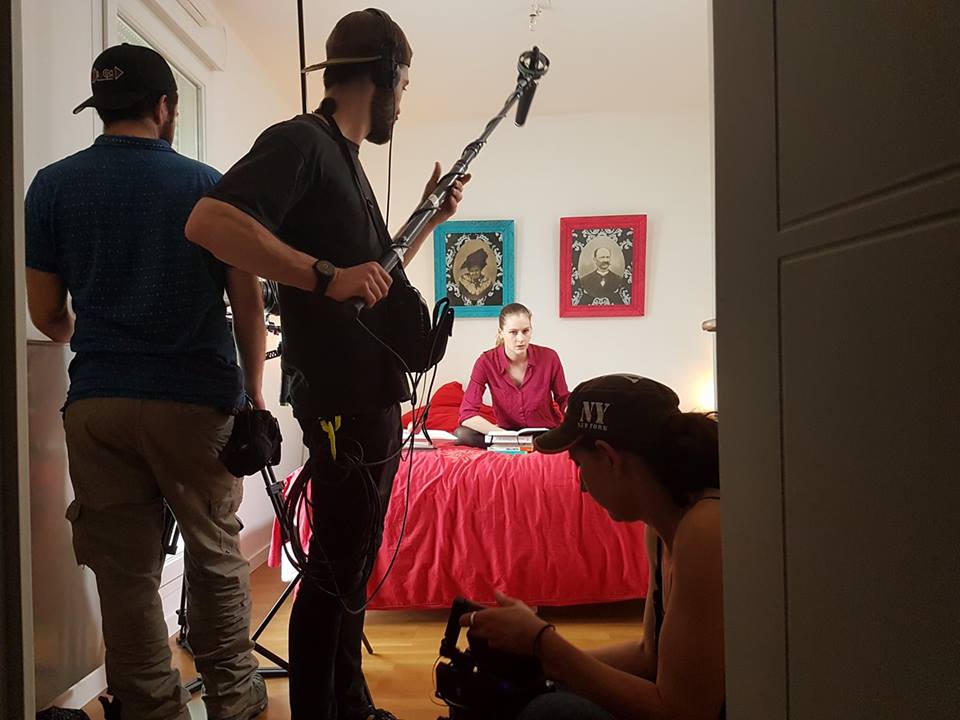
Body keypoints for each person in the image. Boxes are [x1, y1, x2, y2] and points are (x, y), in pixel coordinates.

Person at [184, 9, 468, 720]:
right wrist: (323, 275)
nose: (403, 100)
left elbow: (371, 279)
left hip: (370, 397)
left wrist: (429, 218)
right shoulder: (302, 142)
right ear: (385, 74)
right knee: (335, 570)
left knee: (353, 566)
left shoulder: (346, 161)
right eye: (404, 84)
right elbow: (210, 222)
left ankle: (352, 702)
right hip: (340, 399)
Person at [25, 44, 267, 720]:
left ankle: (151, 708)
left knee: (124, 575)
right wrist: (254, 395)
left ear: (101, 109)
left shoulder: (52, 187)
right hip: (194, 402)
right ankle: (234, 700)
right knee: (215, 556)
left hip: (98, 404)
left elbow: (47, 315)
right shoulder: (209, 187)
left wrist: (98, 328)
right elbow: (248, 303)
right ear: (165, 107)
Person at [461, 375, 724, 720]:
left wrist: (544, 644)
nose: (582, 485)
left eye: (579, 465)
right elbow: (649, 656)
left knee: (552, 712)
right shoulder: (660, 526)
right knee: (524, 693)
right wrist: (537, 663)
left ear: (609, 458)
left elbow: (682, 712)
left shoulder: (705, 529)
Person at [455, 303, 569, 447]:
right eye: (513, 332)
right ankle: (522, 445)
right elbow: (467, 414)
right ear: (501, 332)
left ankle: (525, 445)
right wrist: (503, 434)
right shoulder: (485, 362)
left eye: (525, 331)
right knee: (462, 434)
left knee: (571, 436)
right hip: (506, 433)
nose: (521, 339)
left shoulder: (549, 357)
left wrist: (576, 414)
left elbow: (563, 399)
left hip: (544, 432)